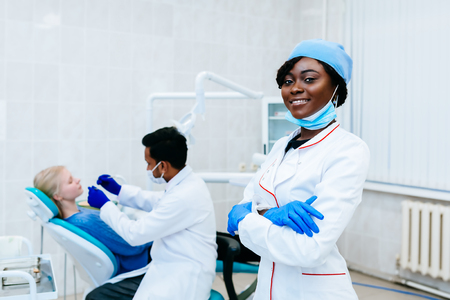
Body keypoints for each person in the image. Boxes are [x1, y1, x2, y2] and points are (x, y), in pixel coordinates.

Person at [227, 39, 370, 299]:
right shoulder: (282, 145)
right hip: (269, 287)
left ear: (336, 88)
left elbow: (310, 248)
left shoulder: (348, 150)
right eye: (288, 81)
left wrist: (249, 217)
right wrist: (271, 214)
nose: (295, 89)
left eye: (309, 79)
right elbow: (248, 201)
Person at [87, 127, 217, 300]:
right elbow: (158, 201)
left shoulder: (184, 196)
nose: (148, 168)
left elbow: (135, 234)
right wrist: (119, 191)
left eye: (149, 163)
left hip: (184, 278)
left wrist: (105, 205)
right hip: (168, 268)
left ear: (163, 165)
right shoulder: (187, 184)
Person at [33, 166, 153, 278]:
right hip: (139, 261)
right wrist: (155, 234)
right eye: (70, 181)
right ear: (57, 196)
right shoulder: (85, 222)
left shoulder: (77, 213)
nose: (78, 179)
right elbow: (133, 247)